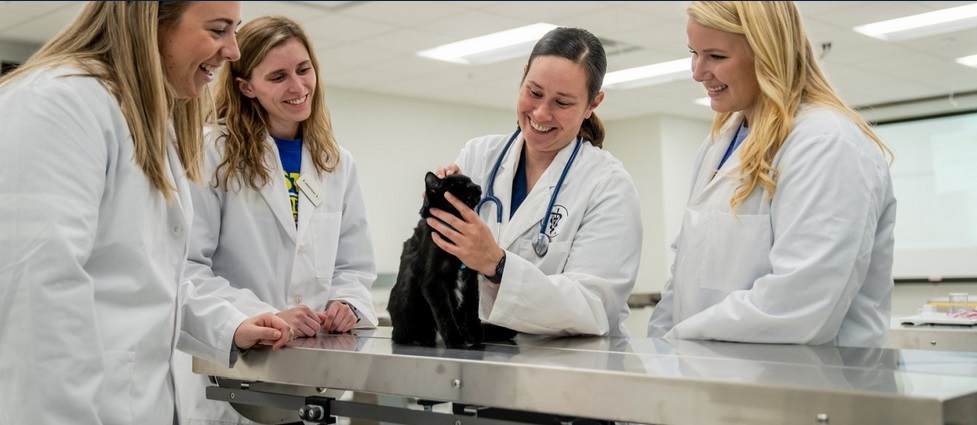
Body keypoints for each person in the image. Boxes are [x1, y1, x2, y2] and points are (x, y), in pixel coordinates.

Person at [0, 3, 295, 425]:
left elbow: (146, 282)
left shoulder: (148, 121)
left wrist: (229, 323)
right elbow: (34, 307)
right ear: (151, 22)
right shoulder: (54, 103)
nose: (233, 51)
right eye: (217, 30)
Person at [647, 1, 896, 347]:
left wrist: (681, 339)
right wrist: (660, 351)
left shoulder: (826, 143)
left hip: (808, 386)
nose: (697, 71)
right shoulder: (722, 141)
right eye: (694, 52)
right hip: (712, 375)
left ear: (767, 54)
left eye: (716, 57)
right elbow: (685, 276)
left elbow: (800, 304)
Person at [173, 15, 379, 424]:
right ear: (246, 86)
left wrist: (348, 304)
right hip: (232, 376)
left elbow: (353, 265)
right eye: (278, 76)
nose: (298, 87)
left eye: (304, 70)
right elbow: (187, 268)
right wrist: (255, 315)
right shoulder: (212, 152)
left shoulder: (336, 163)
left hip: (312, 378)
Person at [433, 27, 642, 337]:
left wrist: (497, 264)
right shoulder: (479, 156)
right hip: (481, 355)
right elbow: (445, 261)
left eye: (563, 103)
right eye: (534, 92)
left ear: (592, 104)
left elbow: (593, 307)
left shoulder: (608, 186)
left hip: (567, 369)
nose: (542, 113)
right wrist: (435, 207)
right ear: (523, 77)